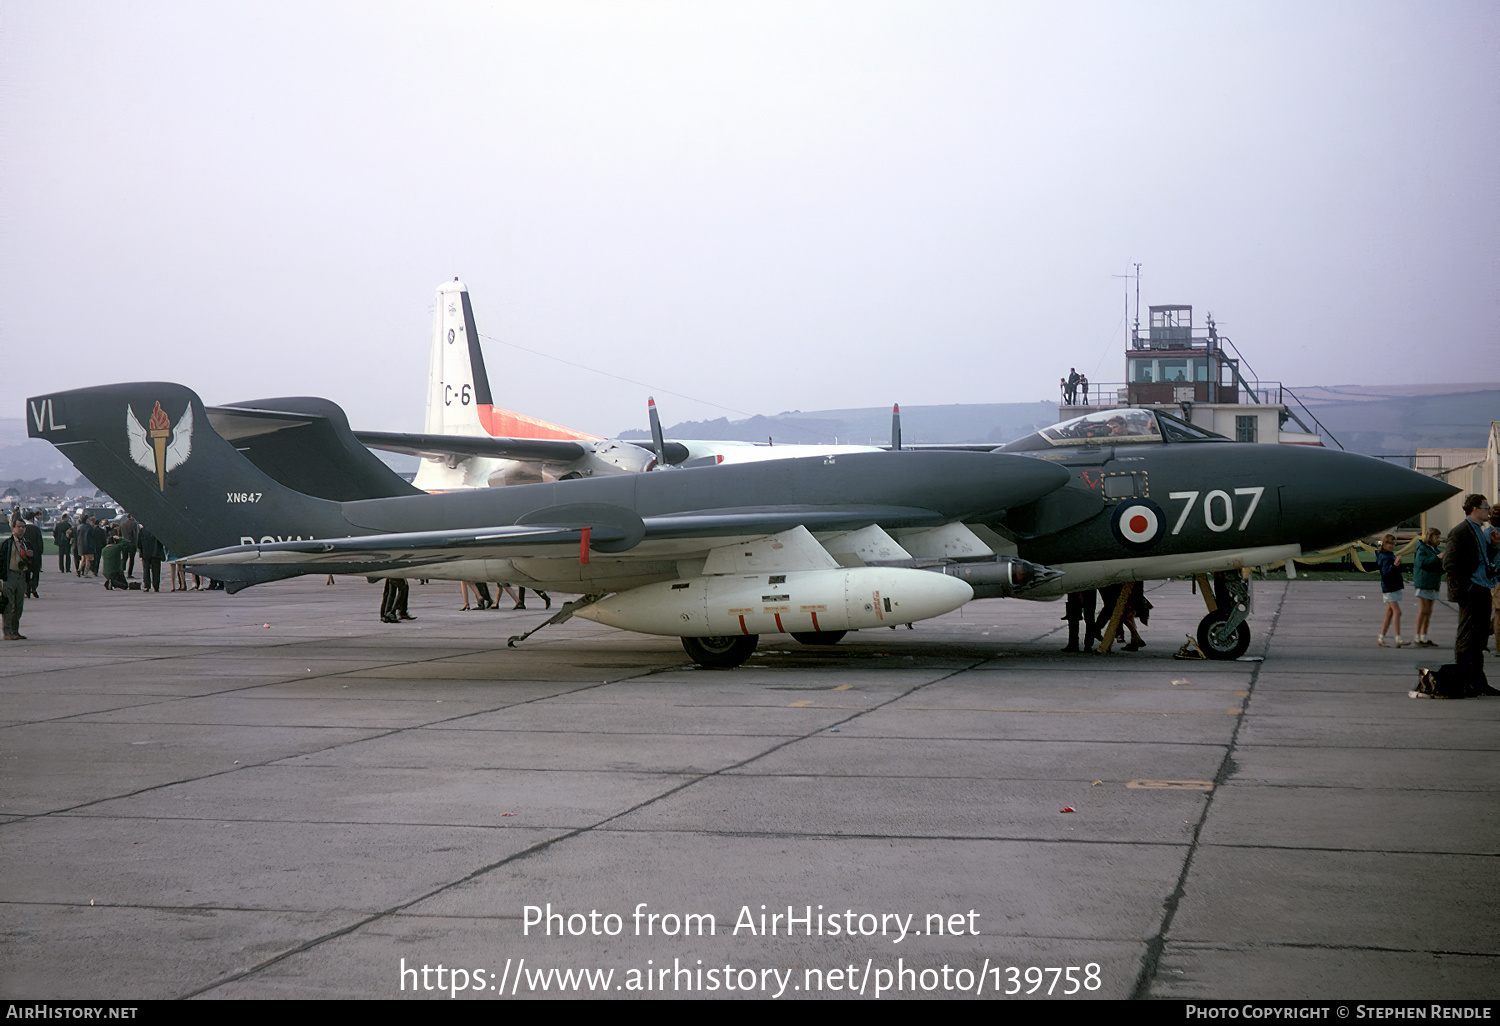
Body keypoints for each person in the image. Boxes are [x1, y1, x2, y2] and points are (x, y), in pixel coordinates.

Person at [1442, 494, 1499, 688]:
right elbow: (1449, 563)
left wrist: (1493, 546)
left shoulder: (1479, 531)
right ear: (1474, 508)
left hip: (1482, 587)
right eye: (1486, 506)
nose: (1489, 510)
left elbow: (1481, 561)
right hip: (1472, 590)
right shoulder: (1461, 532)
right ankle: (1463, 680)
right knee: (1467, 636)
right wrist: (1465, 589)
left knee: (1480, 637)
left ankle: (1478, 682)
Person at [2, 518, 35, 639]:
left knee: (19, 605)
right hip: (10, 575)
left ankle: (15, 630)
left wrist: (30, 557)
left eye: (23, 527)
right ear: (13, 528)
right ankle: (8, 631)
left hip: (22, 575)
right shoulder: (8, 544)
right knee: (8, 605)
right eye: (19, 527)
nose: (21, 529)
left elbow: (33, 562)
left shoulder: (27, 543)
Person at [1412, 527, 1444, 647]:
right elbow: (1422, 563)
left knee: (1429, 611)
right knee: (1423, 610)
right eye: (1436, 537)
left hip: (1433, 582)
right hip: (1423, 582)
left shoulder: (1435, 549)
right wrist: (1437, 558)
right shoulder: (1422, 548)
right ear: (1430, 537)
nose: (1438, 540)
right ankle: (1417, 635)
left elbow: (1438, 566)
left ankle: (1424, 636)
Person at [1375, 533, 1407, 646]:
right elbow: (1385, 574)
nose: (1391, 546)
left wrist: (1395, 565)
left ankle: (1381, 636)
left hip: (1393, 586)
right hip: (1389, 587)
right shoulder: (1385, 557)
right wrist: (1395, 565)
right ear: (1384, 544)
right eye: (1389, 543)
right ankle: (1398, 638)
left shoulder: (1389, 555)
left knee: (1390, 613)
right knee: (1397, 612)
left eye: (1393, 544)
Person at [137, 525, 165, 593]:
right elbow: (162, 542)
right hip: (156, 552)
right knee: (156, 570)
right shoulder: (158, 530)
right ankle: (156, 586)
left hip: (146, 553)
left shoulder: (142, 530)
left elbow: (138, 544)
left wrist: (142, 549)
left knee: (146, 570)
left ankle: (147, 585)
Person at [22, 511, 43, 599]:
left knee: (26, 572)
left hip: (25, 554)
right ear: (32, 519)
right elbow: (40, 543)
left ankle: (26, 589)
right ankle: (33, 588)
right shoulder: (36, 529)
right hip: (35, 553)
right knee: (35, 572)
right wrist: (40, 552)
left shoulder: (23, 528)